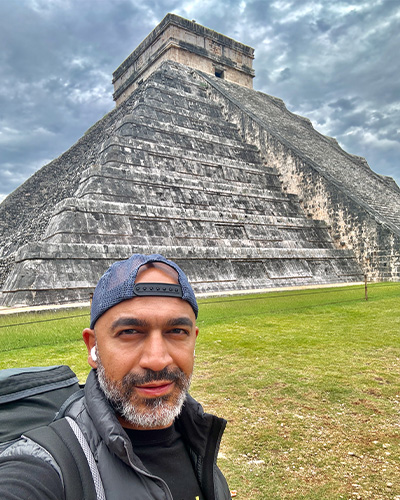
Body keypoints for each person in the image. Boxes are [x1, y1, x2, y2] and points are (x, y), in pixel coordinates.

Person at [0, 253, 230, 500]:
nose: (157, 360)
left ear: (193, 339)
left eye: (176, 331)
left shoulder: (198, 437)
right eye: (130, 331)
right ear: (93, 348)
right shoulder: (50, 466)